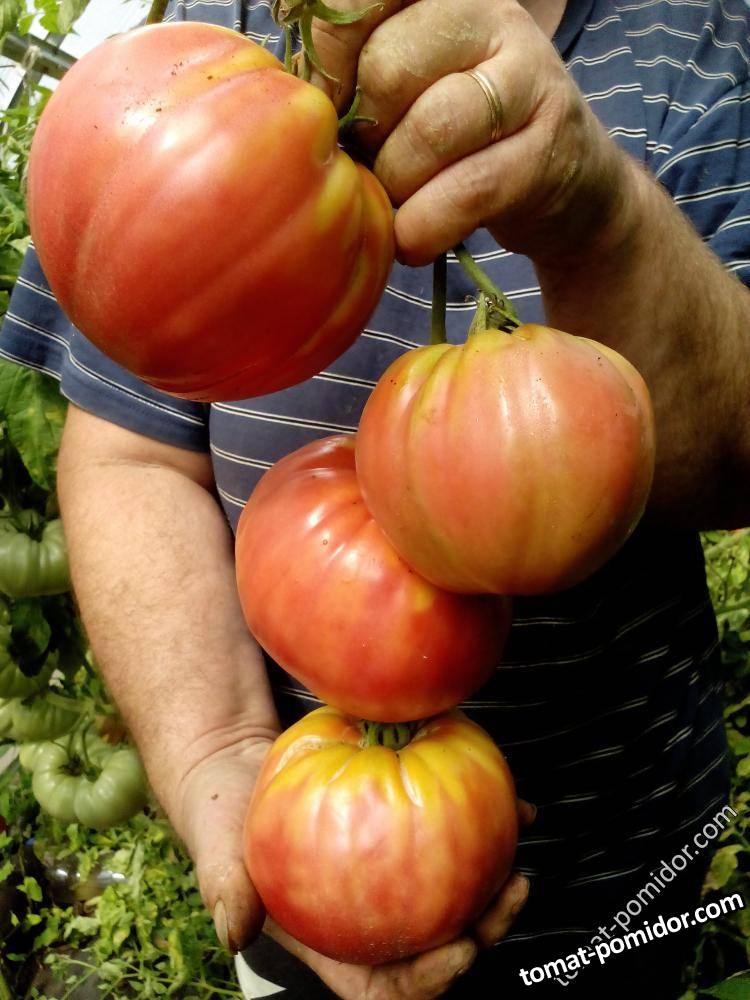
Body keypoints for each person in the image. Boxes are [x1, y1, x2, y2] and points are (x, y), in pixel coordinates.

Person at [3, 0, 749, 996]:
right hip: (296, 845)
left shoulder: (702, 40)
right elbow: (129, 453)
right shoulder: (203, 40)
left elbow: (740, 461)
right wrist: (220, 760)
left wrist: (599, 215)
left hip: (632, 867)